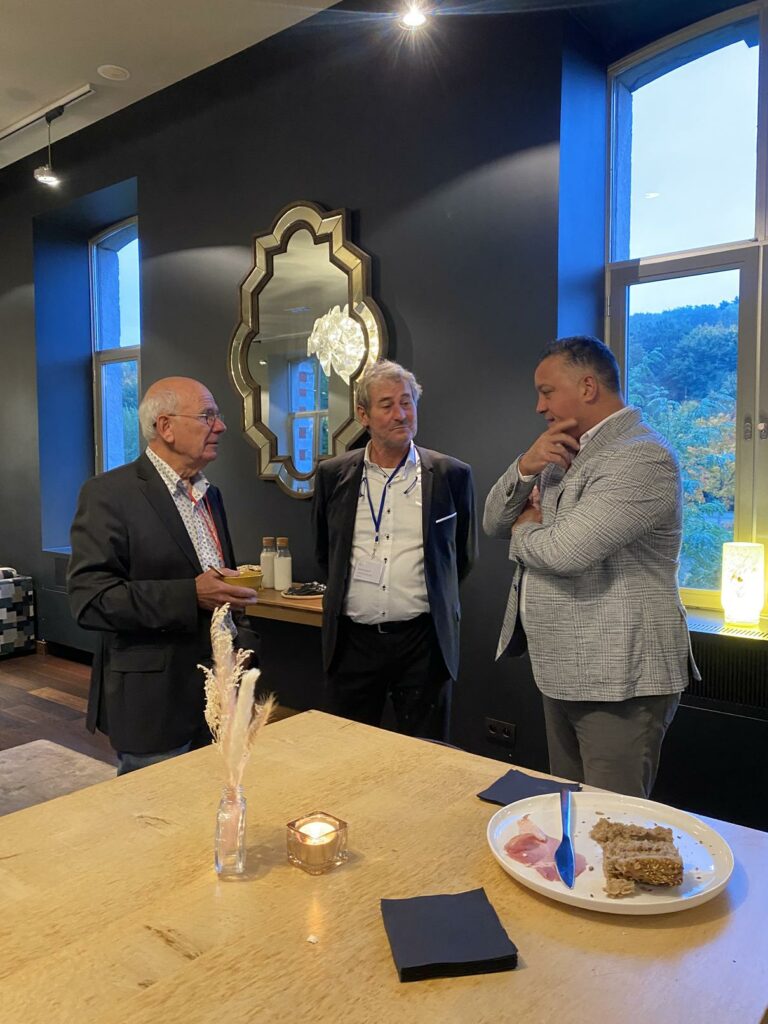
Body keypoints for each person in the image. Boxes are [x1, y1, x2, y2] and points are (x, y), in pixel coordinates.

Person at [483, 335, 698, 797]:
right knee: (572, 809)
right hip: (565, 669)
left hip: (618, 678)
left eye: (546, 391)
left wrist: (527, 529)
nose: (539, 406)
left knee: (611, 820)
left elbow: (566, 552)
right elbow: (493, 521)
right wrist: (525, 466)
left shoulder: (642, 455)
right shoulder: (561, 450)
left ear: (586, 387)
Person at [68, 376, 259, 774]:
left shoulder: (211, 495)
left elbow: (215, 585)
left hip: (220, 692)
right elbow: (90, 599)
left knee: (217, 802)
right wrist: (190, 595)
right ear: (166, 427)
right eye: (207, 416)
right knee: (155, 810)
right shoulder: (109, 494)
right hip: (152, 703)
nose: (221, 426)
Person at [312, 359, 477, 739]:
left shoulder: (451, 475)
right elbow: (326, 553)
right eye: (387, 405)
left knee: (425, 752)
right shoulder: (333, 475)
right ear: (363, 415)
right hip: (353, 643)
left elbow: (461, 557)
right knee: (348, 748)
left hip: (423, 643)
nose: (401, 414)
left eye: (407, 402)